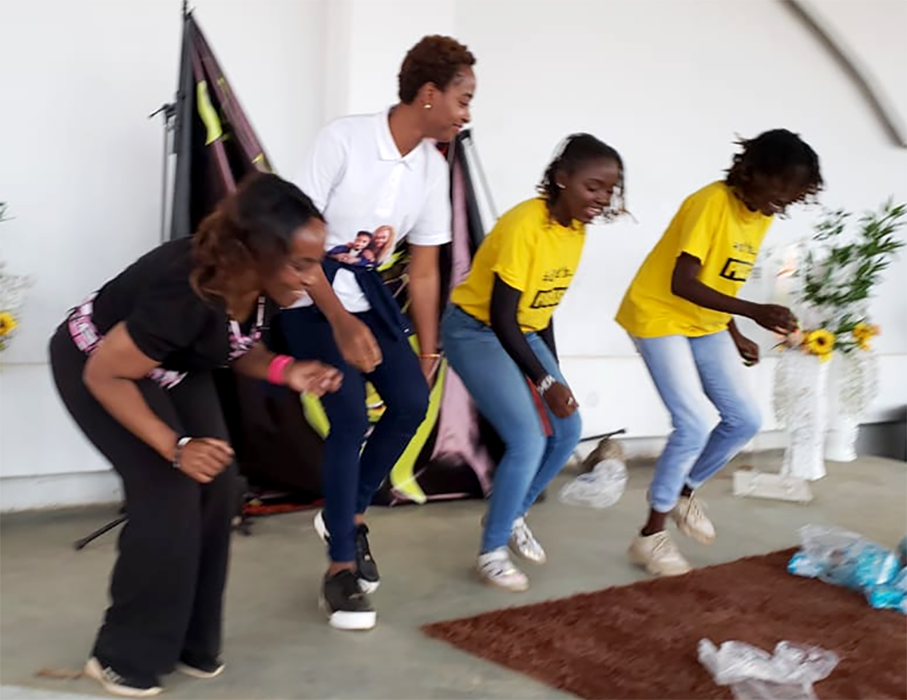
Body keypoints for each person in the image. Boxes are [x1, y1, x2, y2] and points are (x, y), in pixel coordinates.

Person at [49, 173, 342, 697]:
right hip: (97, 362)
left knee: (220, 485)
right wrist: (175, 446)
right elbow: (106, 374)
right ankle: (121, 654)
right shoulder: (185, 290)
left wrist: (287, 371)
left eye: (315, 261)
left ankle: (189, 641)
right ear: (256, 251)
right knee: (169, 492)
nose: (313, 277)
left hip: (174, 365)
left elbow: (233, 344)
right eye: (301, 263)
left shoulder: (266, 283)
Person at [281, 34, 477, 629]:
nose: (467, 114)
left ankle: (348, 512)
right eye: (463, 99)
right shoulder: (344, 140)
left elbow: (424, 268)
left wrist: (428, 351)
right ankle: (341, 568)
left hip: (367, 300)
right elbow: (292, 241)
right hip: (304, 297)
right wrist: (339, 322)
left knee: (412, 402)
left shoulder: (431, 169)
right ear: (428, 94)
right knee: (347, 415)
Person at [615, 128, 823, 577]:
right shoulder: (710, 203)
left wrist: (734, 331)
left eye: (792, 196)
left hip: (705, 323)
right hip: (658, 315)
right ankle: (649, 537)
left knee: (744, 420)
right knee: (692, 422)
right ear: (754, 172)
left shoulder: (759, 212)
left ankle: (683, 490)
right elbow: (683, 282)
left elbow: (720, 278)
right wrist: (753, 312)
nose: (783, 202)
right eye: (781, 189)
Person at [441, 133, 626, 591]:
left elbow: (543, 308)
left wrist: (556, 376)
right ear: (562, 178)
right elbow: (502, 317)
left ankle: (510, 513)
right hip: (475, 329)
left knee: (567, 428)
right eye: (592, 187)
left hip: (523, 330)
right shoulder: (526, 225)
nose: (601, 199)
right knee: (526, 438)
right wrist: (545, 382)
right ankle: (492, 551)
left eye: (609, 190)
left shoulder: (575, 229)